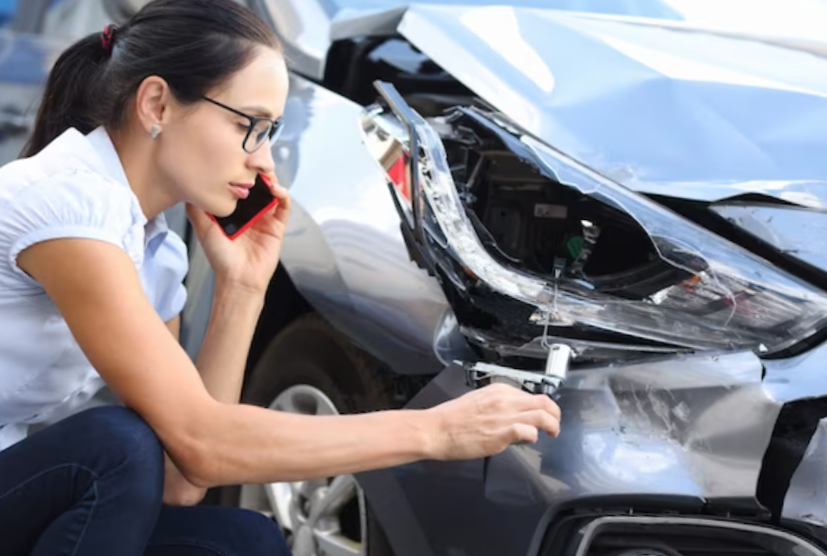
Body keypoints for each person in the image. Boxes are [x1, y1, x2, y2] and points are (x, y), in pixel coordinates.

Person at [0, 0, 562, 554]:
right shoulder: (69, 204)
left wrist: (242, 288)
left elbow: (181, 477)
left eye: (271, 132)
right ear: (157, 104)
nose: (263, 162)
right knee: (115, 447)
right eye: (252, 126)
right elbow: (200, 443)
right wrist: (433, 432)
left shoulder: (156, 254)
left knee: (247, 540)